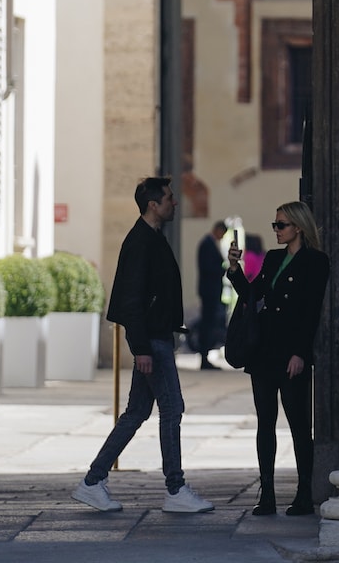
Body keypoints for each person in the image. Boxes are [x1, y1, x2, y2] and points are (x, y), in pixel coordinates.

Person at [70, 177, 214, 514]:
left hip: (155, 338)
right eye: (169, 198)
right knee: (172, 408)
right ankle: (175, 489)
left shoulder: (151, 238)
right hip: (153, 341)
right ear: (153, 204)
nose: (175, 203)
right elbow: (132, 300)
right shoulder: (141, 242)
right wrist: (141, 349)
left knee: (136, 412)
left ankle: (93, 482)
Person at [229, 200, 329, 517]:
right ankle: (268, 494)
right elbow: (252, 295)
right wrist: (234, 270)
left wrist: (301, 352)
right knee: (265, 425)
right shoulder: (272, 259)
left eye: (281, 225)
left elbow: (311, 311)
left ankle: (303, 495)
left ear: (298, 227)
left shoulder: (316, 261)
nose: (276, 230)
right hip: (264, 354)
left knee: (299, 426)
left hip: (291, 355)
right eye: (275, 225)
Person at [195, 221, 228, 370]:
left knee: (210, 323)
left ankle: (205, 355)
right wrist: (222, 270)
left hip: (212, 290)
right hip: (209, 290)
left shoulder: (210, 244)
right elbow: (208, 268)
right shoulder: (207, 244)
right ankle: (204, 355)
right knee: (207, 324)